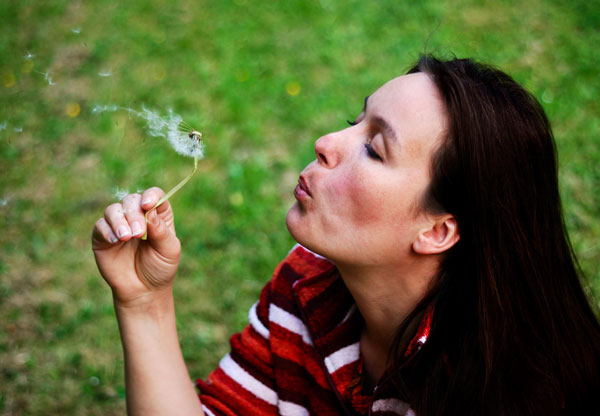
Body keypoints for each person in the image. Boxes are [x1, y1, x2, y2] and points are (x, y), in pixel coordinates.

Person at [92, 54, 600, 415]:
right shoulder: (304, 289)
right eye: (352, 122)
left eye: (375, 149)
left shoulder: (500, 392)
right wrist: (145, 302)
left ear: (439, 230)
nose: (325, 142)